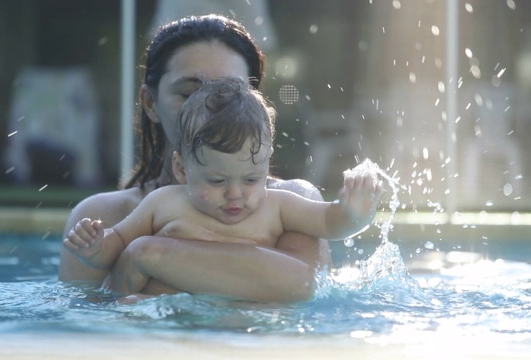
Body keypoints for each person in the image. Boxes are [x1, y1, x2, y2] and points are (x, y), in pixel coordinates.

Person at [59, 14, 355, 303]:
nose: (213, 113)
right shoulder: (106, 216)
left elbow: (306, 287)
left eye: (231, 94)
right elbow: (88, 330)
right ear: (150, 103)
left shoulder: (292, 202)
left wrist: (146, 256)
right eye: (190, 92)